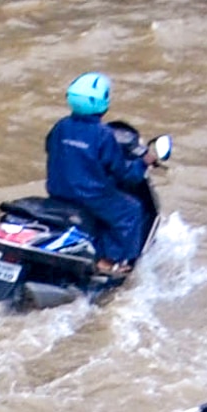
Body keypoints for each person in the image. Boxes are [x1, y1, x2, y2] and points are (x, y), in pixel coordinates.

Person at [45, 71, 156, 273]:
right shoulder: (103, 134)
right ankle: (109, 260)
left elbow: (50, 148)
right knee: (131, 210)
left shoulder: (61, 126)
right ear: (102, 102)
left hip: (58, 192)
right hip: (91, 197)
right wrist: (142, 164)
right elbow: (122, 172)